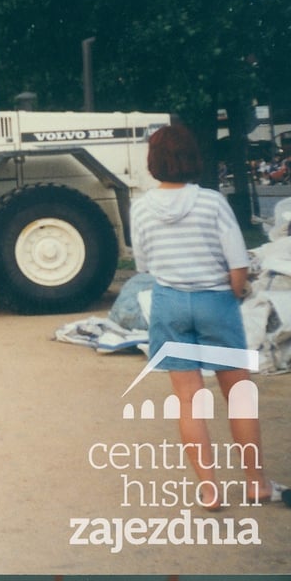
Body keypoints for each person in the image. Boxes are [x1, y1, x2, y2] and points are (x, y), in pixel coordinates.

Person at [131, 123, 285, 509]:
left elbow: (144, 263)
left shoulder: (141, 207)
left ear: (153, 163)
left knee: (188, 402)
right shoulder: (212, 203)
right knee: (239, 398)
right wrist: (240, 291)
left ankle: (209, 489)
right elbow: (237, 266)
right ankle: (256, 483)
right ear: (193, 159)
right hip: (215, 303)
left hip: (169, 304)